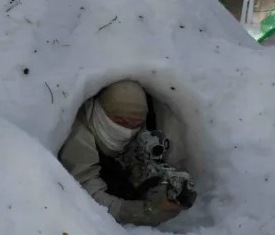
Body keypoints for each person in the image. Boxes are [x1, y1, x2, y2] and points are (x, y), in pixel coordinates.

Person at [58, 80, 193, 226]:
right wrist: (147, 211)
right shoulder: (79, 137)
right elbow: (92, 201)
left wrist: (163, 191)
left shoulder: (139, 131)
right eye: (120, 122)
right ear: (101, 111)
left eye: (135, 125)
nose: (128, 132)